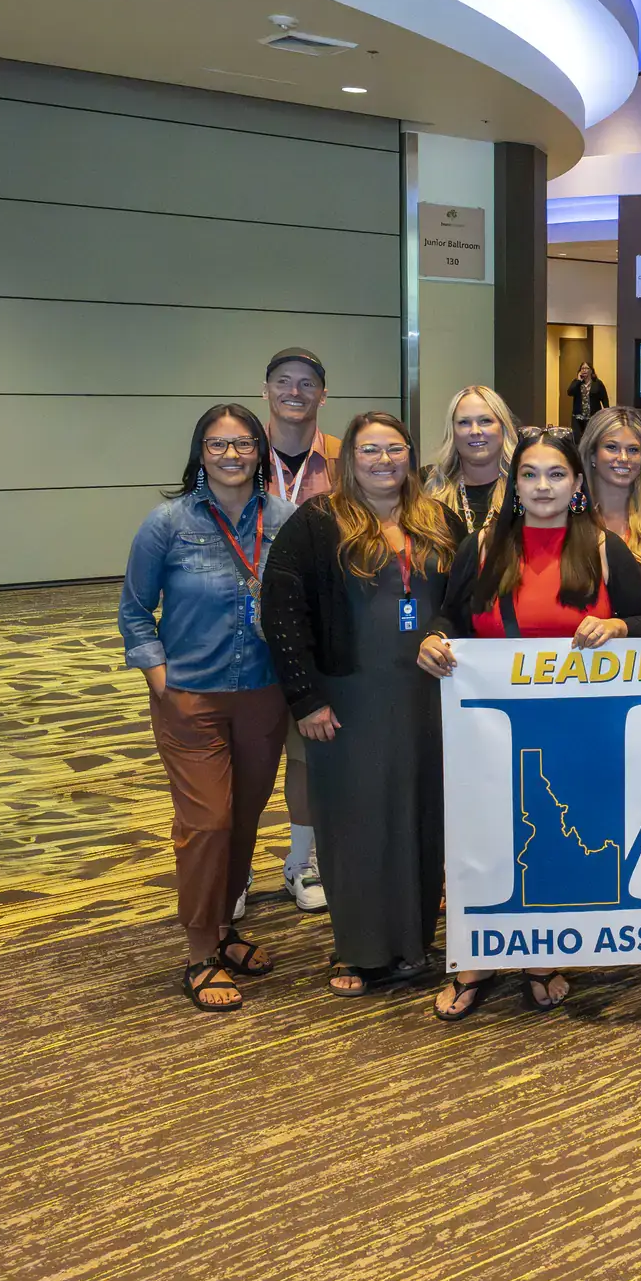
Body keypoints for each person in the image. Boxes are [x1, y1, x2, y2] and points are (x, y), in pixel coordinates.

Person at [416, 428, 641, 1019]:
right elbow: (451, 615)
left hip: (580, 728)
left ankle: (542, 953)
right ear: (514, 483)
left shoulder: (604, 548)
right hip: (493, 725)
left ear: (577, 484)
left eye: (556, 474)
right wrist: (432, 639)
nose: (543, 486)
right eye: (530, 475)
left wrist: (622, 628)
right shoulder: (481, 547)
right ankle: (474, 958)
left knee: (551, 834)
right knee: (486, 837)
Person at [263, 413, 461, 996]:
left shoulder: (438, 520)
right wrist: (305, 697)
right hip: (347, 698)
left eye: (394, 449)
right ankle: (355, 949)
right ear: (349, 458)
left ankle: (412, 943)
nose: (383, 461)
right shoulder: (318, 522)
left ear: (409, 454)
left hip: (428, 693)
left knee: (419, 816)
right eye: (369, 450)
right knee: (355, 821)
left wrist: (445, 630)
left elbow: (463, 597)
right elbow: (281, 611)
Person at [118, 404, 294, 1012]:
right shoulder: (167, 522)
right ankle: (199, 952)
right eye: (217, 445)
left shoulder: (285, 519)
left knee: (243, 820)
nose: (231, 454)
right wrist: (159, 677)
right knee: (207, 823)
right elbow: (135, 609)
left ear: (260, 452)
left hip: (263, 696)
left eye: (243, 443)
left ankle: (224, 929)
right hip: (191, 697)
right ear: (201, 452)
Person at [262, 346, 340, 915]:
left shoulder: (342, 458)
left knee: (305, 757)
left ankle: (301, 860)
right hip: (238, 637)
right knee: (241, 759)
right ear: (266, 389)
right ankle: (233, 869)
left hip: (314, 632)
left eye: (306, 383)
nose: (295, 391)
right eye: (284, 381)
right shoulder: (238, 450)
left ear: (322, 394)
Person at [580, 407, 641, 585]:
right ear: (592, 454)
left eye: (633, 450)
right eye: (611, 447)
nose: (623, 458)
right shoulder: (570, 515)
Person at [424, 384, 517, 535]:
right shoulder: (428, 482)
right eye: (464, 423)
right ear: (452, 431)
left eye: (485, 421)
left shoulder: (523, 486)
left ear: (503, 426)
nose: (475, 431)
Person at [567, 360, 609, 427]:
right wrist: (578, 381)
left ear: (591, 370)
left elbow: (604, 399)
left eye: (586, 368)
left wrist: (607, 413)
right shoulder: (576, 382)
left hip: (593, 417)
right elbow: (569, 392)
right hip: (578, 417)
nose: (584, 370)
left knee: (591, 436)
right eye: (582, 368)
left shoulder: (597, 383)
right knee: (578, 437)